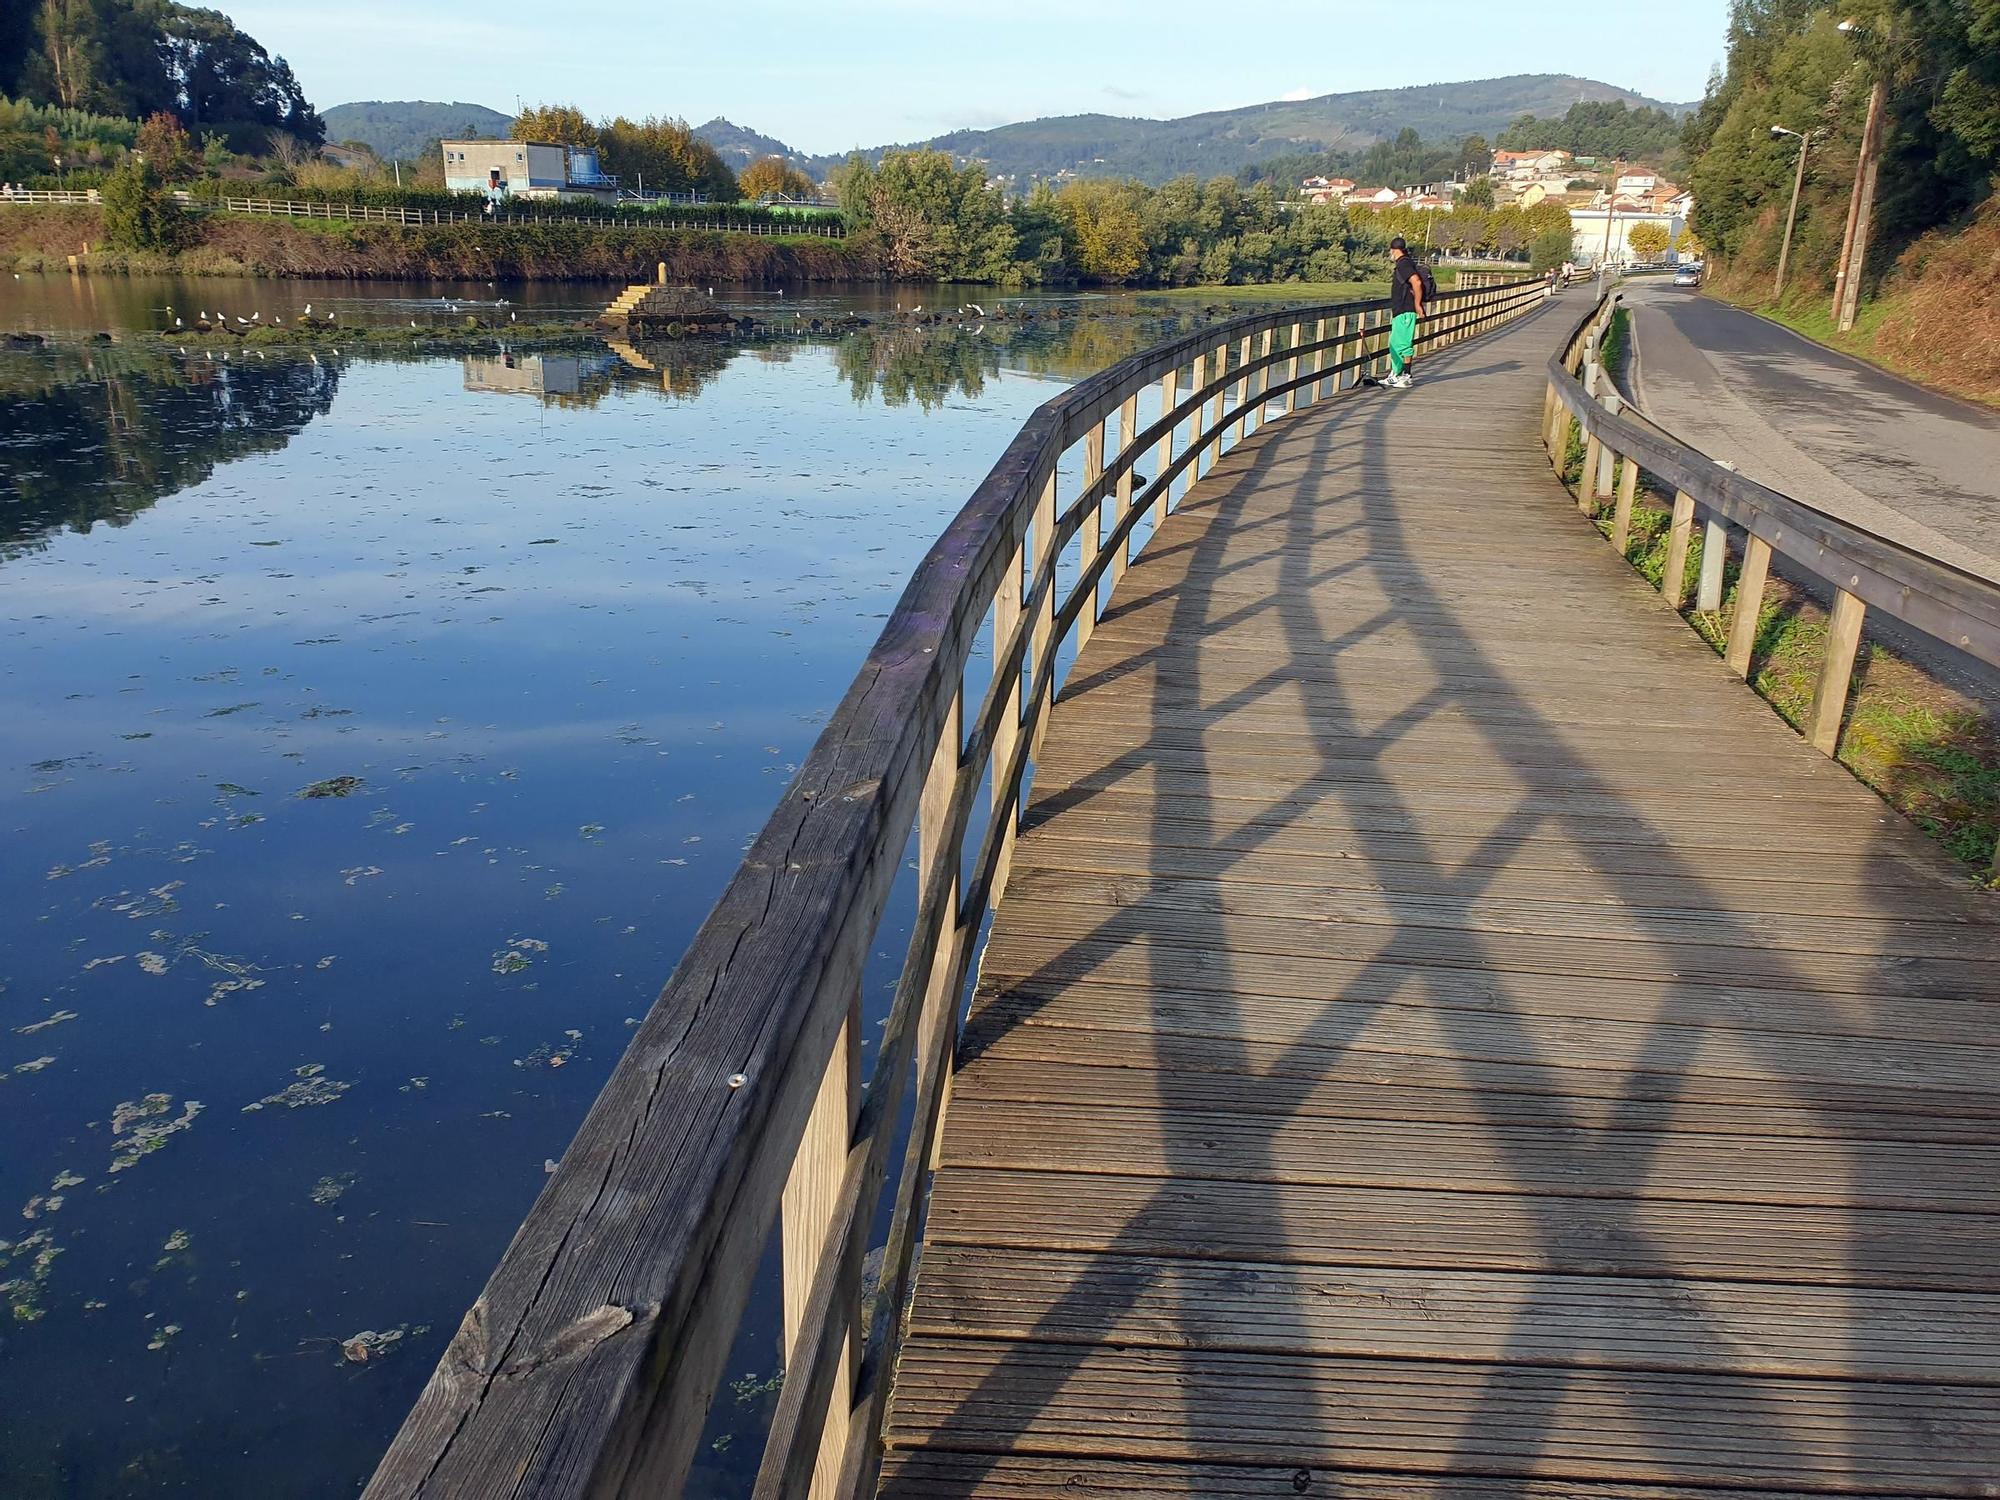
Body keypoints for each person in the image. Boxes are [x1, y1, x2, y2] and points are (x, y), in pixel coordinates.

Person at [1384, 236, 1425, 390]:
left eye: (1391, 251)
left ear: (1394, 250)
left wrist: (1417, 304)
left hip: (1405, 309)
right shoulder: (1405, 262)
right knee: (1395, 343)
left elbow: (1417, 281)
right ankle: (1396, 374)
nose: (1390, 254)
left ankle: (1406, 376)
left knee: (1403, 344)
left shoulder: (1404, 264)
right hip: (1401, 310)